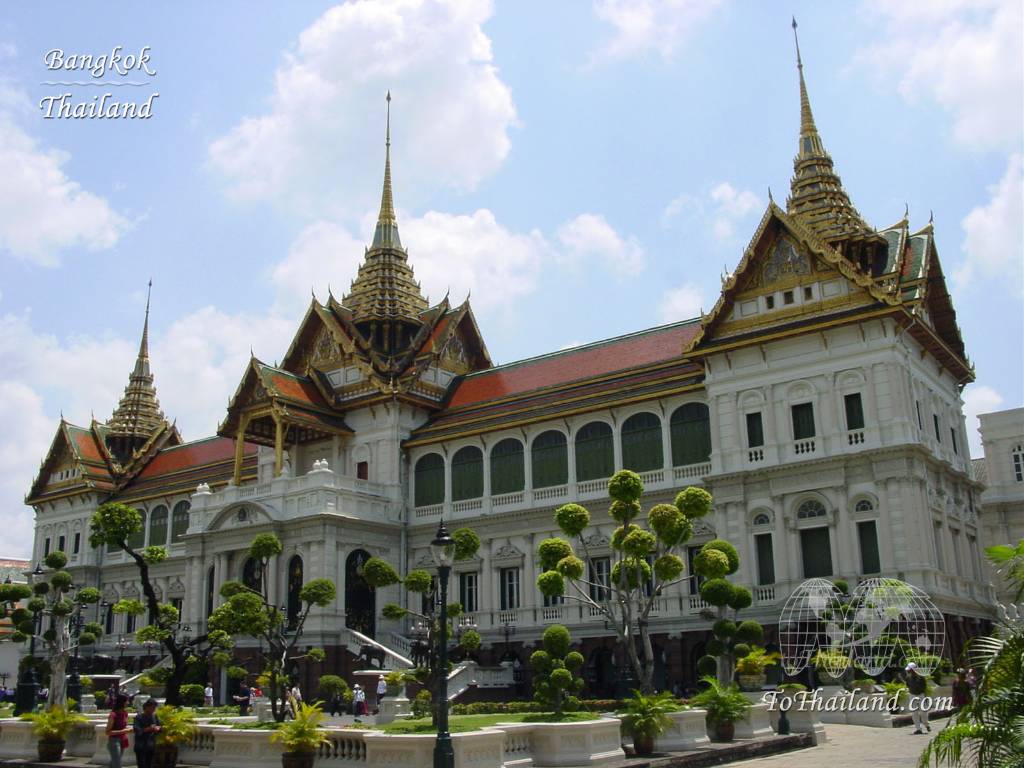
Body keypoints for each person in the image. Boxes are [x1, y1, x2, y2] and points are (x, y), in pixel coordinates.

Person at [132, 699, 162, 768]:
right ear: (147, 707)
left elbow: (160, 727)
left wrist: (158, 728)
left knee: (149, 765)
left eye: (155, 708)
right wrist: (148, 729)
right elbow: (137, 730)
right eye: (153, 708)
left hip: (151, 746)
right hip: (141, 746)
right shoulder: (139, 717)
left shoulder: (154, 716)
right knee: (142, 765)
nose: (154, 710)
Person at [105, 694, 132, 768]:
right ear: (122, 702)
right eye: (127, 701)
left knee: (114, 762)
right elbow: (107, 732)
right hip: (114, 741)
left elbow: (123, 726)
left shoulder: (125, 713)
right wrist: (125, 731)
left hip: (123, 739)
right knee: (117, 763)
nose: (128, 703)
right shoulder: (113, 715)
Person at [903, 662, 931, 734]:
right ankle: (918, 729)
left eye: (910, 670)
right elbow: (908, 685)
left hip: (920, 695)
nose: (908, 672)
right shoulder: (908, 678)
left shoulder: (921, 677)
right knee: (914, 713)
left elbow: (924, 687)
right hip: (912, 695)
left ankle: (926, 724)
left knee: (923, 712)